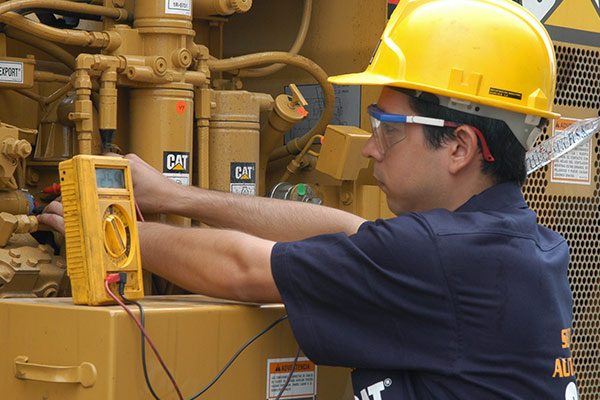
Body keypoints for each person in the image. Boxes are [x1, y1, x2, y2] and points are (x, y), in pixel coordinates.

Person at [39, 0, 579, 398]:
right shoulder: (526, 244)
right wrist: (179, 197)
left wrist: (98, 225)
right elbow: (347, 229)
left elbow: (241, 268)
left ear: (460, 145)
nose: (370, 148)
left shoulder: (438, 254)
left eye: (388, 129)